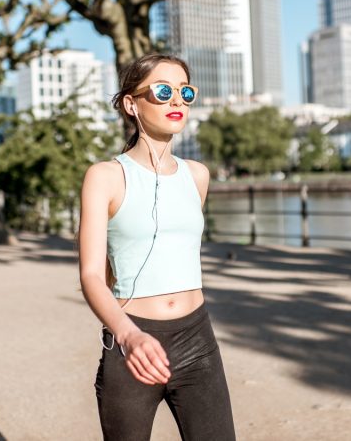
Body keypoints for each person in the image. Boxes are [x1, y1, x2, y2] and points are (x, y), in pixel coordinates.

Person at [78, 54, 236, 441]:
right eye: (163, 91)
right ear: (132, 104)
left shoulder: (197, 176)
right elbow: (93, 275)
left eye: (185, 92)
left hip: (197, 338)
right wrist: (128, 334)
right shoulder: (105, 177)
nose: (177, 101)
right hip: (132, 340)